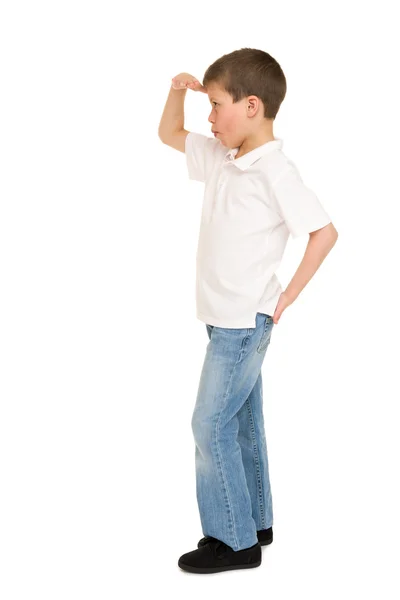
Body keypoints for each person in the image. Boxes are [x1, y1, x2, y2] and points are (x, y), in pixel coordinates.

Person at [158, 47, 338, 575]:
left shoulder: (274, 170)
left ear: (252, 106)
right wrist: (176, 92)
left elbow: (324, 232)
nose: (207, 118)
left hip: (243, 324)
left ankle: (233, 541)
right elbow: (169, 135)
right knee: (240, 421)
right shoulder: (223, 156)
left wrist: (289, 295)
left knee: (208, 424)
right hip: (221, 319)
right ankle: (256, 520)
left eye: (215, 106)